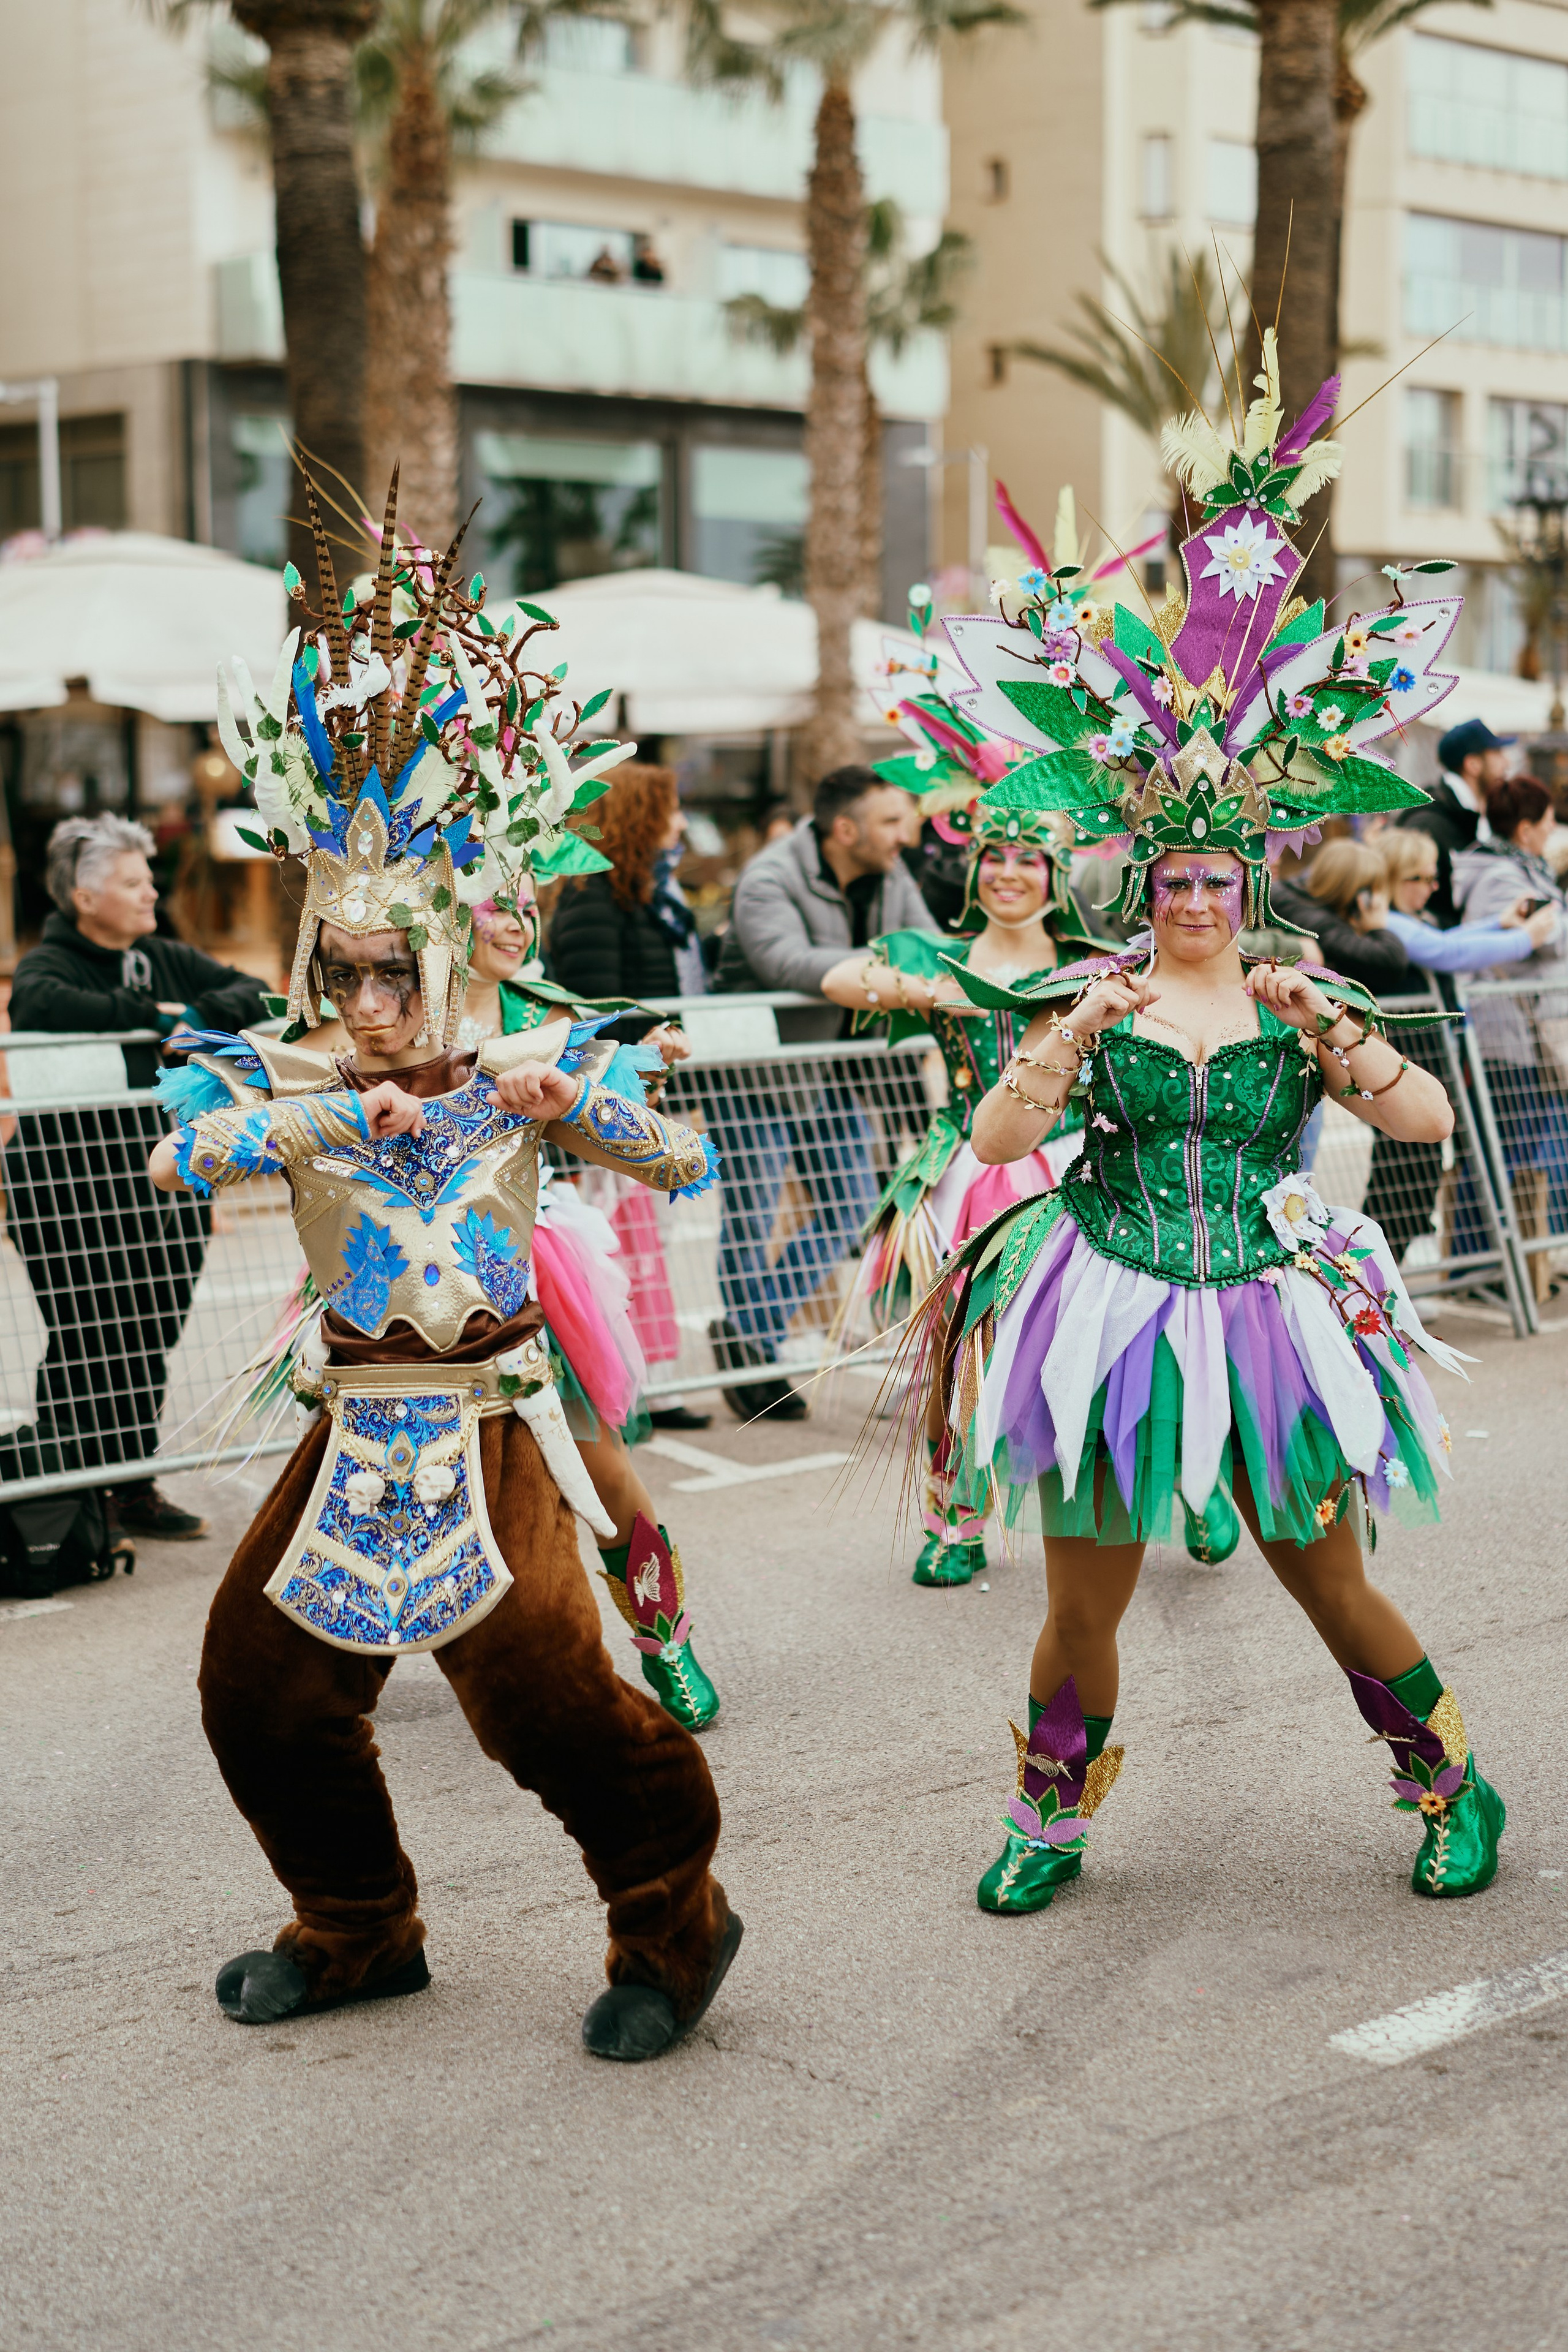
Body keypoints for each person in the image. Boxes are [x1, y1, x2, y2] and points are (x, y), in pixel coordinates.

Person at [911, 331, 1504, 1912]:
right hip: (1105, 1298)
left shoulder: (1306, 987)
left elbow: (1433, 1124)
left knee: (1326, 1577)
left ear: (1250, 886)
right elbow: (991, 1150)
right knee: (1083, 1591)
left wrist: (1340, 1042)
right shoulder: (1096, 993)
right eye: (1169, 880)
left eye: (1215, 883)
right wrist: (1071, 1037)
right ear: (1142, 883)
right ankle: (1050, 1816)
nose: (1188, 901)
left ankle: (1451, 1784)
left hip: (1263, 1303)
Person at [158, 483, 740, 2056]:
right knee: (258, 1688)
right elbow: (176, 1152)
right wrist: (306, 1114)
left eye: (385, 967)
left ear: (436, 945)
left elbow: (678, 1157)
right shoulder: (287, 1072)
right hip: (351, 1425)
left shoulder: (523, 1057)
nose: (360, 994)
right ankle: (356, 1925)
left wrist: (575, 1099)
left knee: (544, 1691)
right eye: (335, 967)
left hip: (490, 1414)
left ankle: (674, 1922)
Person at [821, 680, 1106, 1585]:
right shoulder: (930, 954)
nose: (1011, 872)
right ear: (974, 866)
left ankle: (1178, 1490)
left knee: (1096, 1343)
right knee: (958, 1350)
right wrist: (916, 991)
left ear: (1056, 873)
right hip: (958, 1173)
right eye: (996, 857)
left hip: (1068, 1170)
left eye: (1030, 857)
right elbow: (840, 981)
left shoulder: (1092, 968)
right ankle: (956, 1522)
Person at [458, 891, 720, 1728]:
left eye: (526, 905)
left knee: (600, 1476)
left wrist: (586, 1088)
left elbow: (659, 1150)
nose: (515, 923)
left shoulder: (547, 1018)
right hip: (400, 1291)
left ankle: (666, 1644)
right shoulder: (376, 1010)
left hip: (523, 1273)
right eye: (492, 903)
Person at [3, 813, 269, 1540]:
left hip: (164, 1181)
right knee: (86, 1334)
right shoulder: (47, 962)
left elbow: (252, 991)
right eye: (131, 881)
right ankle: (70, 1492)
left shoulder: (165, 954)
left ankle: (131, 1485)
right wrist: (155, 1021)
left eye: (148, 877)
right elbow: (40, 1006)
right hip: (67, 1189)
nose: (151, 892)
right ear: (84, 898)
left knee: (149, 1331)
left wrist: (192, 1018)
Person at [705, 766, 938, 1416]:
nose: (905, 835)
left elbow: (928, 946)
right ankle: (753, 1357)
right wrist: (880, 978)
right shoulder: (770, 877)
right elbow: (783, 962)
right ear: (846, 829)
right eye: (891, 822)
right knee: (750, 1217)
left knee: (854, 1203)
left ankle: (750, 1337)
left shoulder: (891, 874)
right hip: (755, 1072)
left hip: (835, 1070)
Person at [1362, 826, 1558, 1264]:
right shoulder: (1386, 923)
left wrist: (1500, 925)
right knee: (1404, 1178)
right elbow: (1446, 953)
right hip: (1402, 1069)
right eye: (1421, 878)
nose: (1432, 889)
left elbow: (1446, 944)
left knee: (1415, 1176)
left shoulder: (1403, 920)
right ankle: (1375, 1276)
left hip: (1420, 1065)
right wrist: (1524, 938)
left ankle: (1385, 1275)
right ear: (1394, 876)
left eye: (1434, 878)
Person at [1452, 774, 1568, 1261]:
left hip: (1524, 1033)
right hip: (1510, 1035)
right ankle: (1483, 1266)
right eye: (1547, 820)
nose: (1553, 828)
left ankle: (1516, 1263)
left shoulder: (1522, 869)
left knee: (1519, 1153)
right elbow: (1532, 943)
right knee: (1503, 1155)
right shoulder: (1502, 876)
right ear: (1525, 829)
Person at [548, 761, 707, 1006]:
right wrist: (653, 1038)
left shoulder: (654, 887)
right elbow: (597, 1009)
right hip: (636, 1045)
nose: (682, 824)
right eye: (673, 811)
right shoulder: (591, 894)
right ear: (639, 817)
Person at [1397, 717, 1512, 927]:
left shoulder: (1474, 816)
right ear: (1473, 765)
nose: (1507, 764)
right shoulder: (1428, 823)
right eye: (1497, 754)